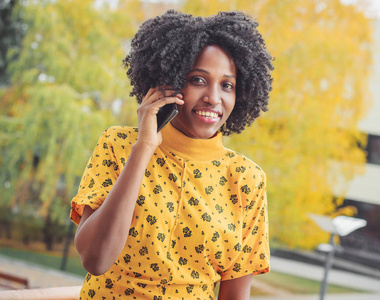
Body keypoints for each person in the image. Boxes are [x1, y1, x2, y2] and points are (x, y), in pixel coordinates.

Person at [70, 10, 273, 300]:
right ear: (169, 82)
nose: (214, 98)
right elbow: (95, 260)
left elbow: (235, 295)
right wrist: (143, 147)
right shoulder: (118, 144)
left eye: (227, 85)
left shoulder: (247, 179)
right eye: (198, 80)